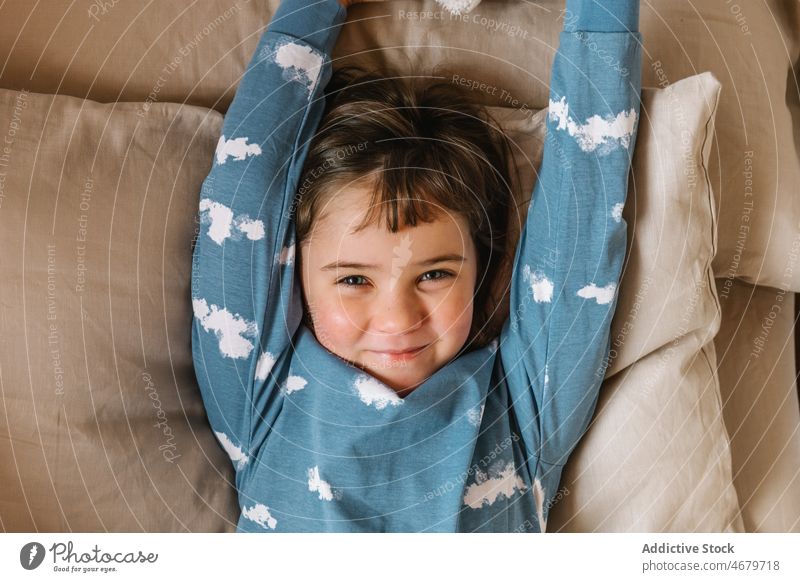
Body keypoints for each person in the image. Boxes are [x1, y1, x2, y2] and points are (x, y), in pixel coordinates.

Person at [191, 0, 642, 532]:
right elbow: (245, 190)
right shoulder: (262, 398)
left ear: (484, 268)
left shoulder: (522, 407)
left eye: (434, 274)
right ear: (295, 274)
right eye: (354, 279)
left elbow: (581, 224)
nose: (397, 317)